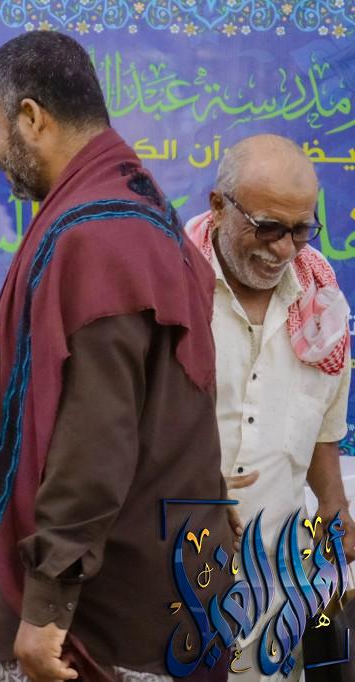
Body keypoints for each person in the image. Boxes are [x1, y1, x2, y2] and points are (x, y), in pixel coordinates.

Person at [0, 32, 232, 681]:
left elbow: (96, 434)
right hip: (167, 596)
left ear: (32, 117)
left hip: (106, 624)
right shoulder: (137, 210)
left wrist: (47, 605)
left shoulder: (97, 236)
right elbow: (81, 389)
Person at [183, 133, 353, 679]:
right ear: (218, 207)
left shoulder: (322, 302)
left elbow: (322, 425)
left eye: (301, 230)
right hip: (170, 581)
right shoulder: (168, 291)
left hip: (274, 594)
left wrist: (334, 502)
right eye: (268, 228)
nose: (284, 249)